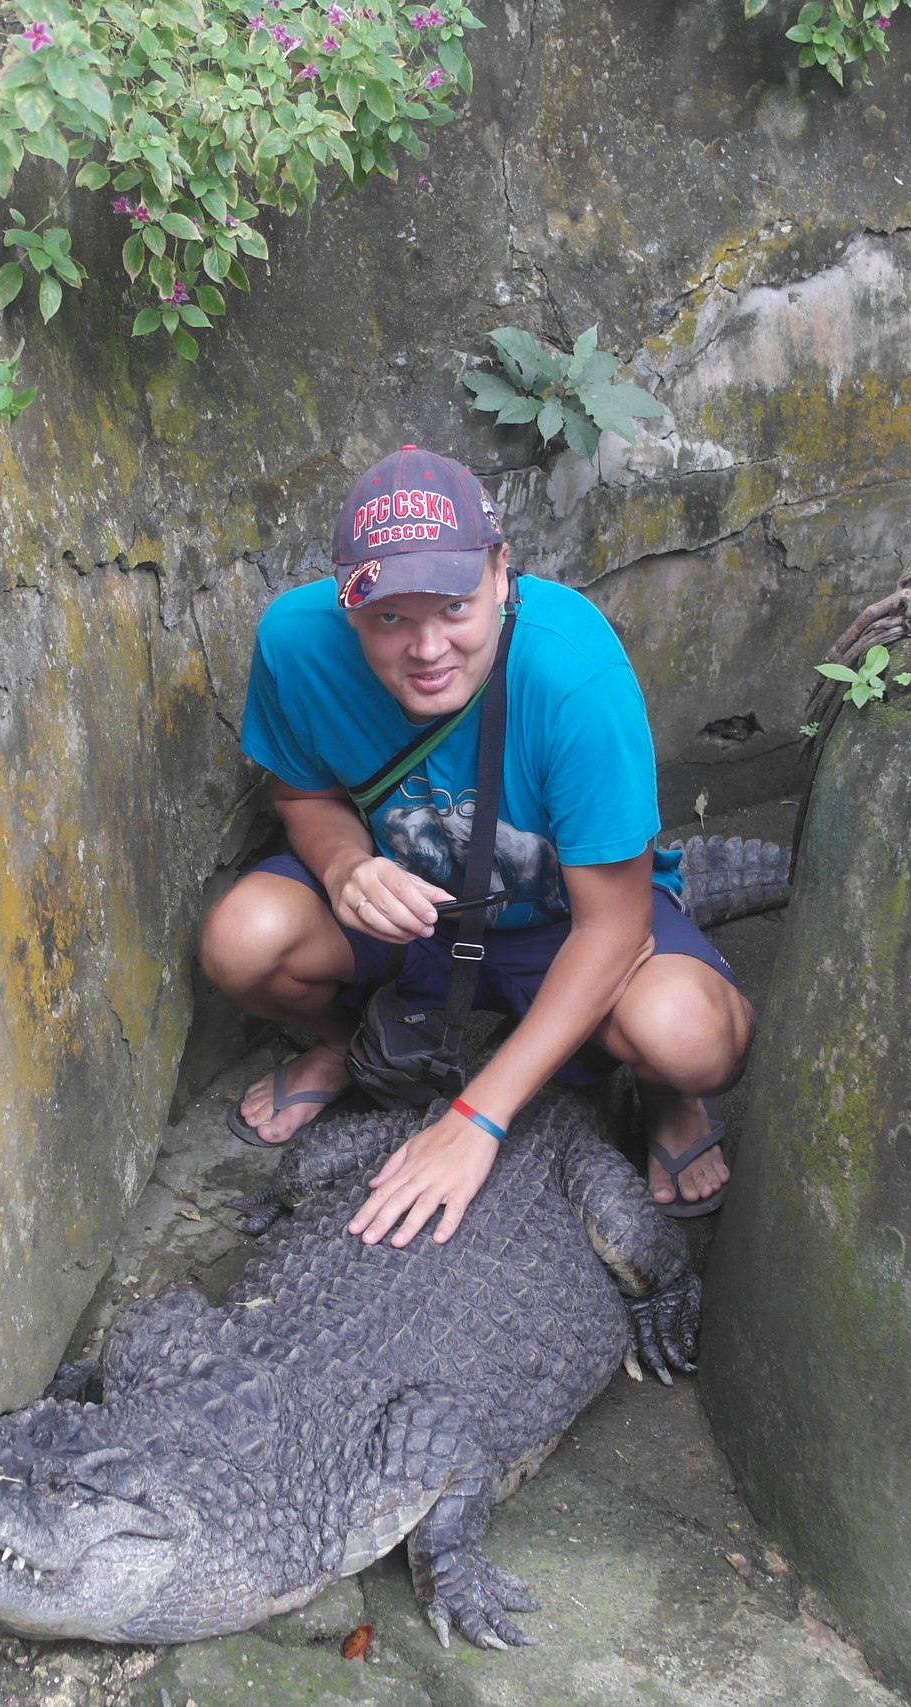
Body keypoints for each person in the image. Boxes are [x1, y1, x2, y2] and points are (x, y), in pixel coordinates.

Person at [198, 444, 754, 1248]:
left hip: (567, 926)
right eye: (390, 616)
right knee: (239, 939)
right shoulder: (294, 642)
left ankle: (662, 1091)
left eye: (454, 607)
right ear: (347, 603)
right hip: (415, 922)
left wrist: (474, 1120)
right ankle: (344, 1046)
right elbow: (304, 794)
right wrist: (346, 864)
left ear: (500, 573)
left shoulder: (573, 671)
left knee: (690, 1038)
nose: (426, 650)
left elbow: (615, 927)